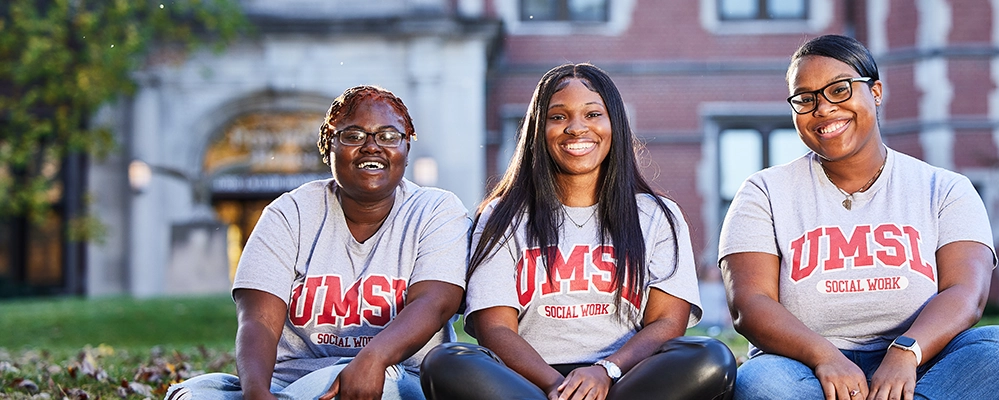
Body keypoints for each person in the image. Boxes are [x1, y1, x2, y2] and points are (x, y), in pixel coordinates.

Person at [719, 35, 999, 400]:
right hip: (803, 368)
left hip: (923, 365)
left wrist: (906, 351)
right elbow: (750, 305)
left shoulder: (945, 189)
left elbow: (965, 292)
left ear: (875, 91)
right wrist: (824, 356)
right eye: (806, 99)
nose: (823, 109)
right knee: (762, 384)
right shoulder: (762, 192)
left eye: (839, 90)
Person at [419, 63, 736, 400]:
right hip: (528, 385)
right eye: (558, 117)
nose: (576, 128)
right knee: (446, 361)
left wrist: (605, 372)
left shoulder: (657, 216)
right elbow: (494, 329)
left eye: (592, 114)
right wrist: (556, 386)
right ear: (538, 130)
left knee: (710, 357)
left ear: (614, 123)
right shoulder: (502, 216)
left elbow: (666, 324)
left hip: (626, 382)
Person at [166, 85, 471, 400]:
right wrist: (257, 393)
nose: (372, 147)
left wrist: (374, 358)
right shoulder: (289, 213)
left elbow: (434, 303)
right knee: (194, 394)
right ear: (328, 148)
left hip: (393, 376)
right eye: (353, 136)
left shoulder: (436, 210)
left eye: (388, 136)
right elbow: (258, 321)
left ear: (406, 150)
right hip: (291, 384)